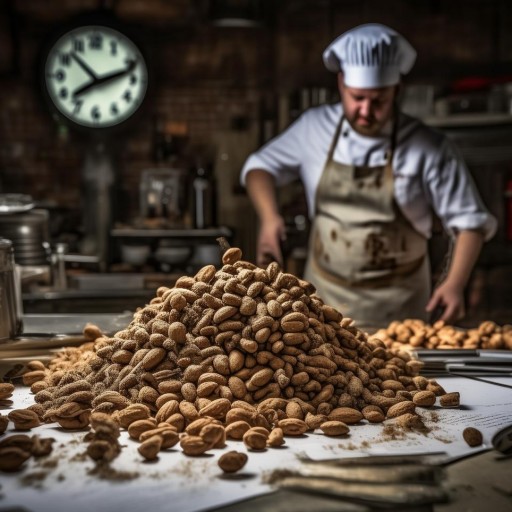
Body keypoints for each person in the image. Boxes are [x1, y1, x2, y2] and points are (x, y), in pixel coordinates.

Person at [240, 23, 497, 330]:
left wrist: (454, 284)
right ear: (340, 84)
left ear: (396, 90)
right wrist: (270, 218)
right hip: (322, 304)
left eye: (378, 101)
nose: (365, 110)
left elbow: (470, 223)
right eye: (357, 97)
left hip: (401, 309)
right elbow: (259, 168)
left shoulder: (430, 147)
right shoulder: (313, 127)